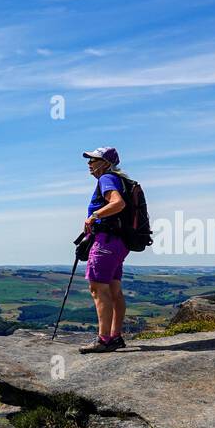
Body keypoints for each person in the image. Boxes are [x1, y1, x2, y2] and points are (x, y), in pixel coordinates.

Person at [79, 146, 130, 353]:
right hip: (120, 242)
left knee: (98, 289)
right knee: (114, 290)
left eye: (93, 160)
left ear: (106, 163)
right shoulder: (122, 179)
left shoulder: (106, 179)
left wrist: (94, 216)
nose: (89, 164)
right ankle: (115, 336)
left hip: (106, 242)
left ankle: (104, 339)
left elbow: (118, 203)